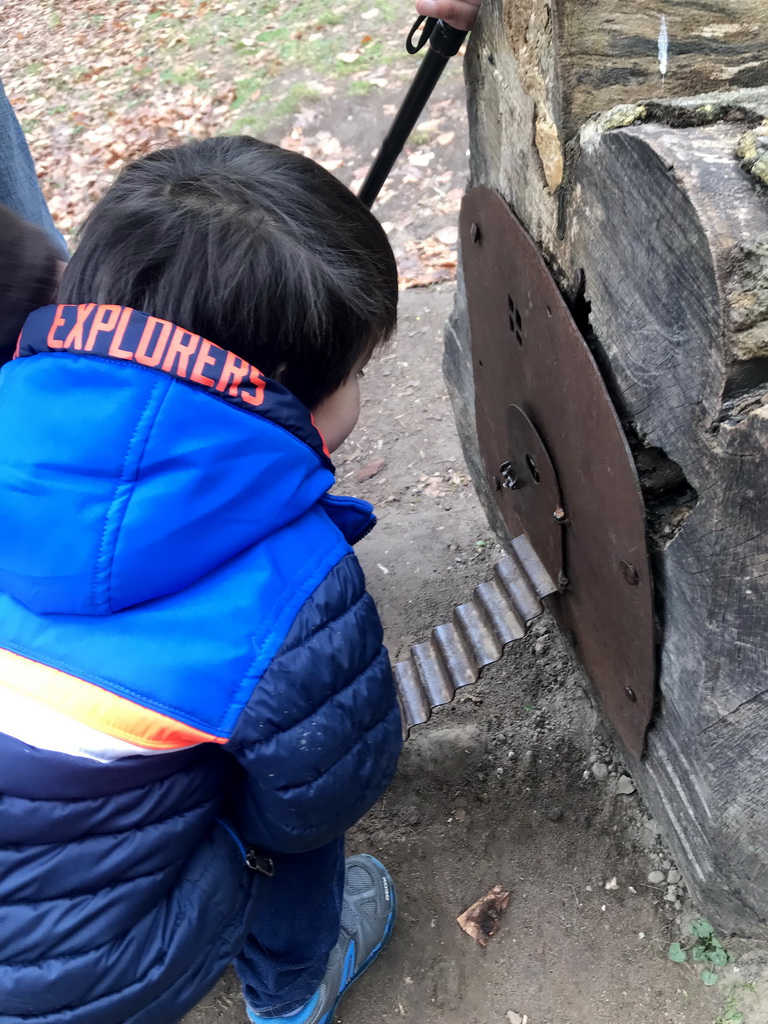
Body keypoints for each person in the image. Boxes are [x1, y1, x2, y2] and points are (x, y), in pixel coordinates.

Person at [0, 136, 403, 1024]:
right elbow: (321, 790)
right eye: (362, 372)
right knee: (291, 818)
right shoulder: (292, 584)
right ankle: (294, 986)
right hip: (73, 985)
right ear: (293, 393)